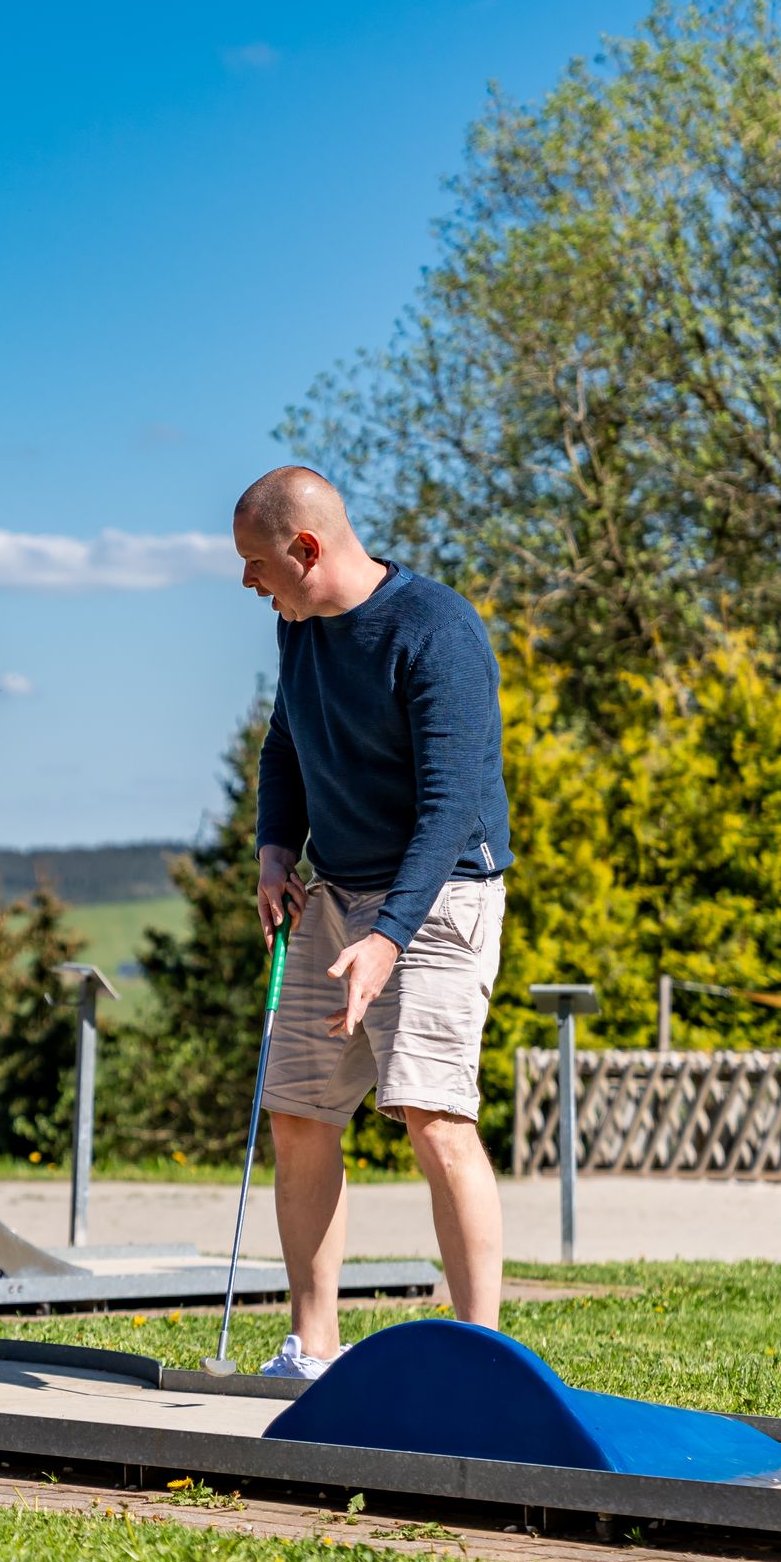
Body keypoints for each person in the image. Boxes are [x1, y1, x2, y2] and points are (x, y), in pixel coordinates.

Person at [231, 465, 512, 1379]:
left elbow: (449, 809)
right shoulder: (300, 628)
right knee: (301, 1115)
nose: (250, 583)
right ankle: (312, 1348)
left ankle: (480, 1358)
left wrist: (386, 941)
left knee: (433, 1116)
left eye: (258, 563)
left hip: (438, 899)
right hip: (335, 893)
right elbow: (286, 743)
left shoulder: (436, 632)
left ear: (306, 550)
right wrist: (278, 847)